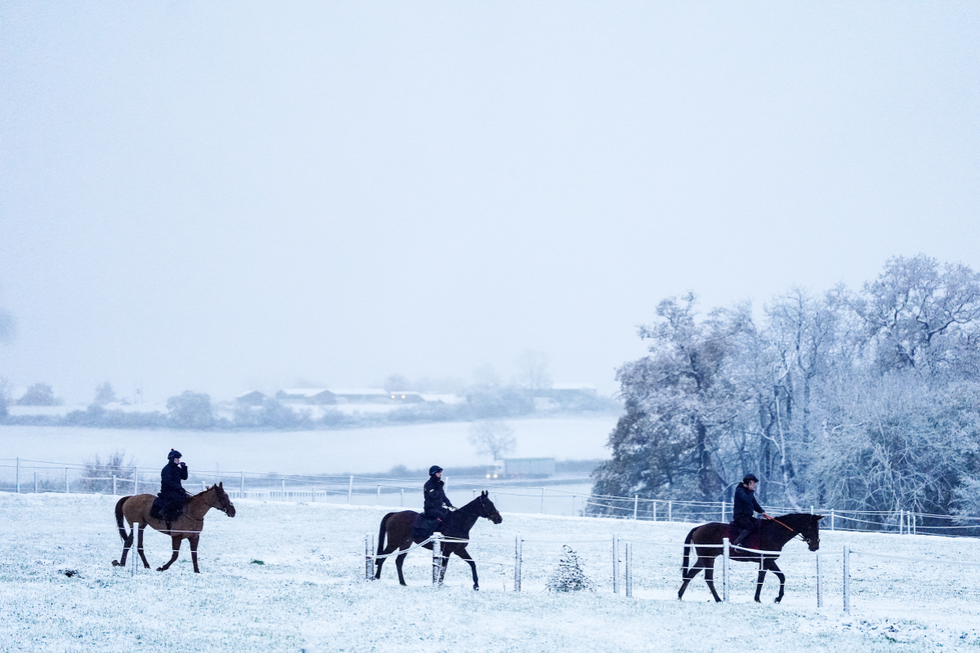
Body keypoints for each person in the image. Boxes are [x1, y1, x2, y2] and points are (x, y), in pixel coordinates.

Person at [155, 449, 190, 533]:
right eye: (177, 458)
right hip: (167, 491)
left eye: (179, 458)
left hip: (176, 490)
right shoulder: (166, 469)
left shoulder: (177, 469)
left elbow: (184, 477)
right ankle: (163, 512)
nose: (178, 460)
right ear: (172, 459)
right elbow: (168, 482)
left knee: (187, 498)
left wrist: (184, 468)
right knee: (175, 499)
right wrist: (178, 487)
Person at [730, 474, 769, 549]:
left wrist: (762, 511)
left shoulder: (748, 492)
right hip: (740, 516)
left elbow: (754, 503)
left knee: (758, 524)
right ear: (748, 482)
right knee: (750, 526)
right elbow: (747, 500)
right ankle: (736, 544)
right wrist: (751, 491)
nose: (754, 484)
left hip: (748, 516)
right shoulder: (740, 490)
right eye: (752, 482)